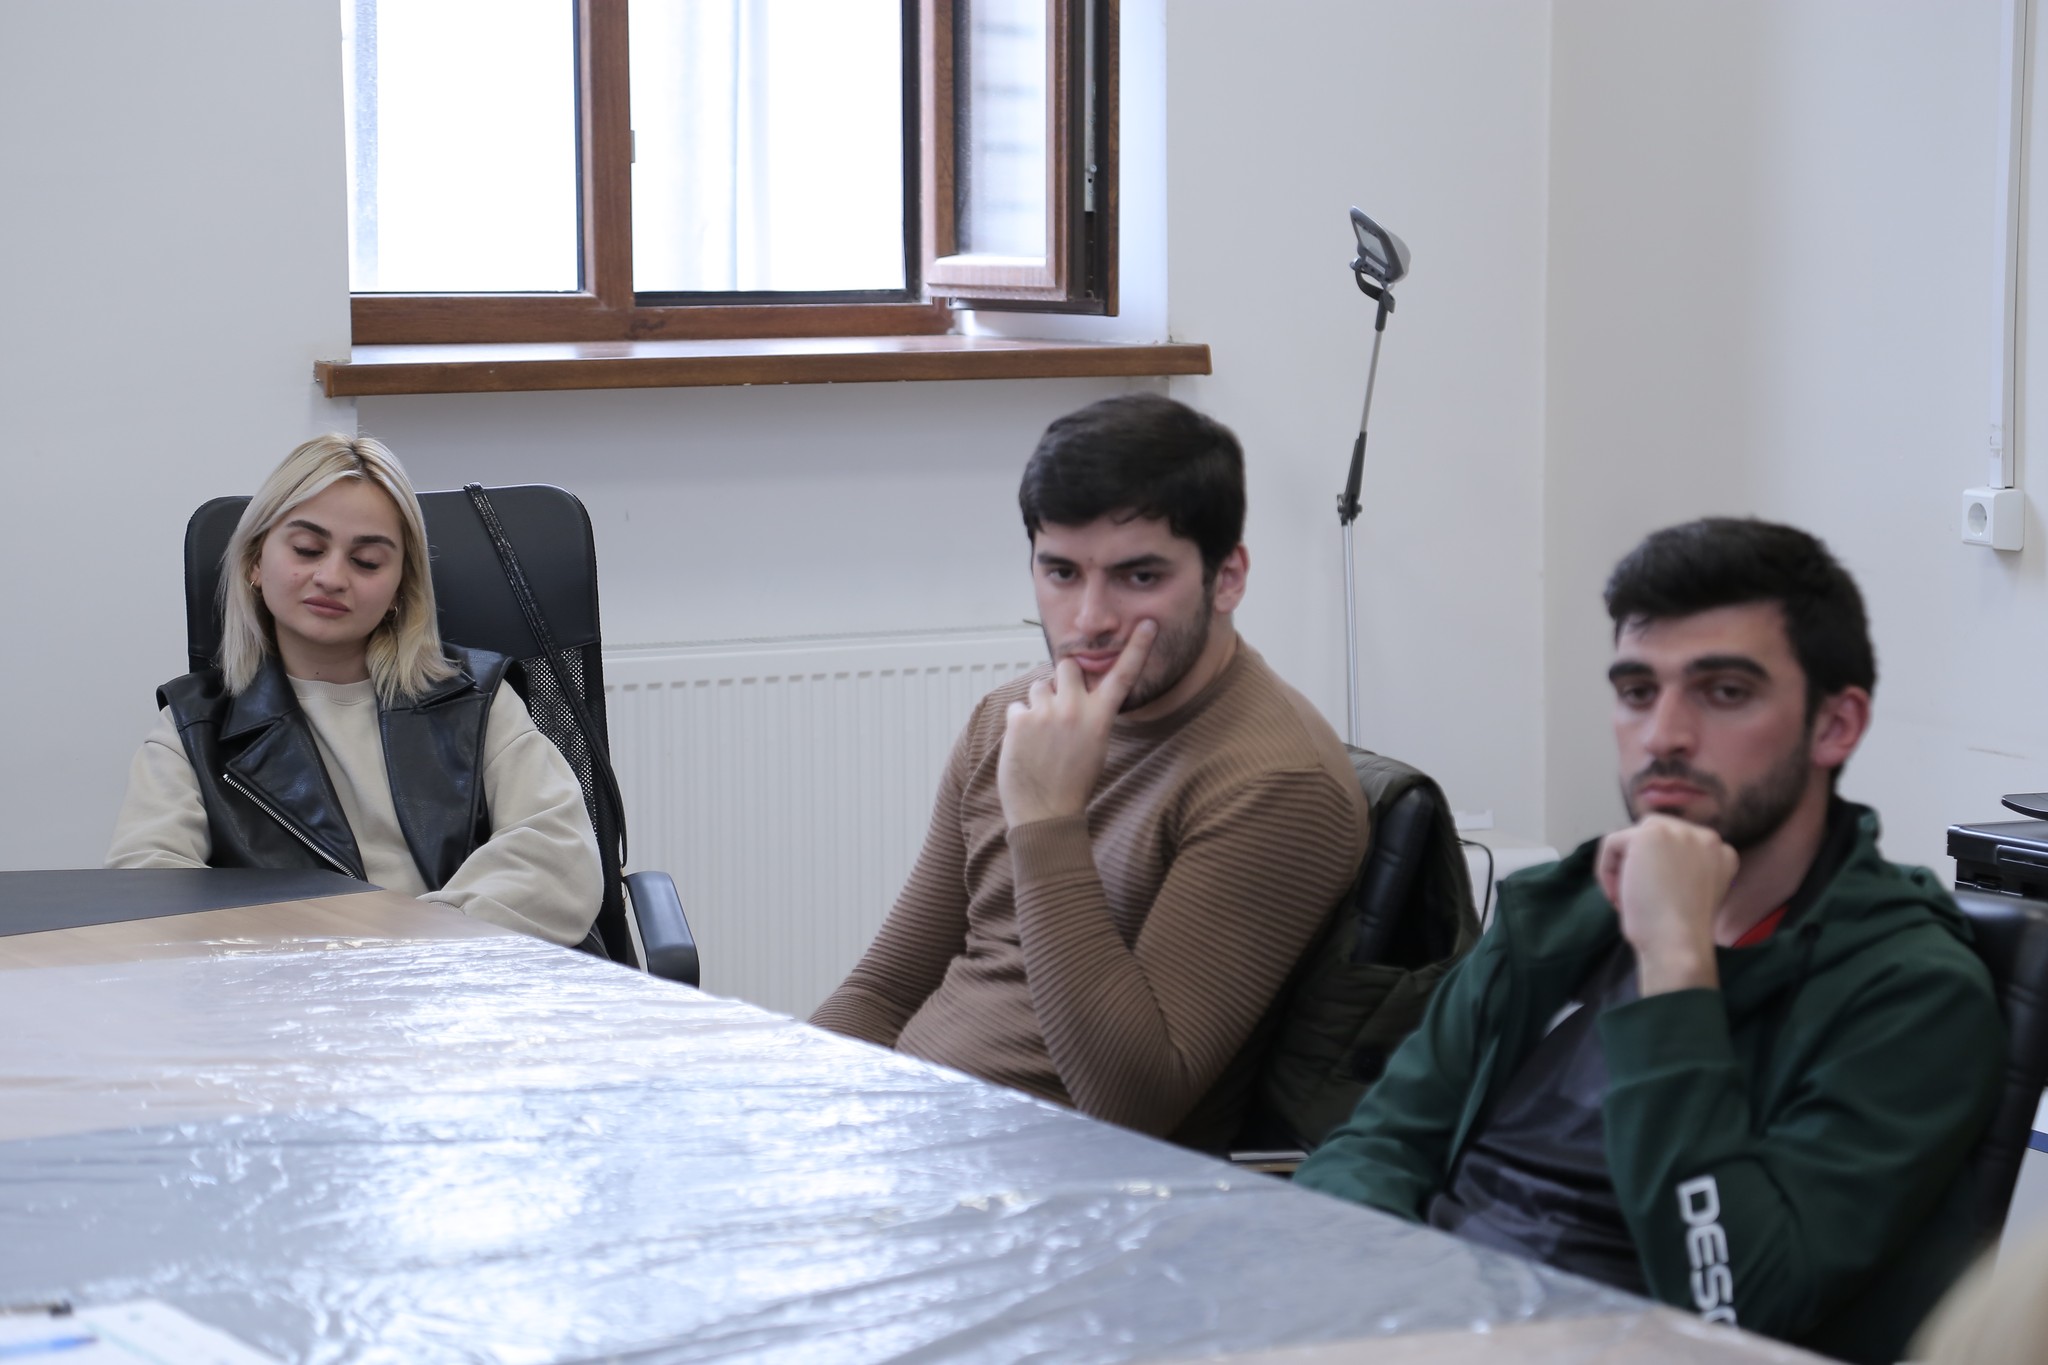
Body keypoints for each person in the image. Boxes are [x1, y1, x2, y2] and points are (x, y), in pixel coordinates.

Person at [1295, 517, 2004, 1364]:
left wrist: (1674, 962)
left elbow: (1733, 1299)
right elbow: (1378, 1144)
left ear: (1835, 725)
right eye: (1637, 691)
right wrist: (1379, 1306)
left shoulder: (1910, 990)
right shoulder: (1564, 910)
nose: (1663, 734)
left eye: (1724, 691)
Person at [810, 394, 1370, 1150]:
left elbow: (1129, 1104)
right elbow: (884, 991)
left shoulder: (1276, 782)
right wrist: (780, 1117)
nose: (1089, 619)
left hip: (1056, 1183)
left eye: (1139, 577)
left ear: (1227, 577)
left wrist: (1048, 819)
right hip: (910, 1139)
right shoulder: (1010, 718)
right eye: (1062, 572)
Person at [107, 433, 603, 948]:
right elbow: (151, 894)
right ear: (254, 561)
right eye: (307, 549)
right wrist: (319, 956)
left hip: (464, 977)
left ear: (399, 589)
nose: (331, 577)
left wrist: (412, 941)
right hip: (292, 988)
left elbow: (559, 856)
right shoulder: (191, 729)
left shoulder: (478, 700)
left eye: (366, 561)